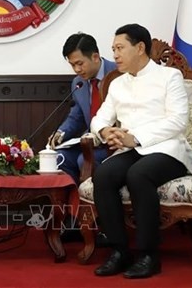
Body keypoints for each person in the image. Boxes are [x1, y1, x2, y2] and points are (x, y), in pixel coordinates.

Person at [91, 24, 192, 279]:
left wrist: (134, 137)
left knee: (138, 175)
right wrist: (105, 132)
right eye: (113, 49)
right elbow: (99, 118)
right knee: (103, 174)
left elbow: (178, 121)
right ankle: (119, 250)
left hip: (168, 150)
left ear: (140, 48)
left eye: (120, 48)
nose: (114, 55)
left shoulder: (169, 77)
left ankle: (149, 255)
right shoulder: (117, 84)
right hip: (131, 149)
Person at [48, 32, 116, 244]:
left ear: (95, 57)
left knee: (83, 161)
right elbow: (77, 114)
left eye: (80, 63)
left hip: (116, 144)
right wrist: (61, 133)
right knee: (59, 158)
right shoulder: (79, 82)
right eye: (72, 65)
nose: (77, 70)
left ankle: (105, 225)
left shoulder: (121, 74)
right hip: (90, 143)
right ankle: (75, 220)